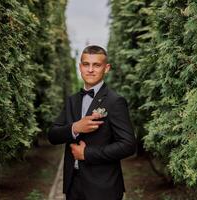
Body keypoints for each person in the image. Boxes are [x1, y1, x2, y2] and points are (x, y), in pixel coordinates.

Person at [48, 45, 136, 200]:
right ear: (80, 67)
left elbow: (128, 145)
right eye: (86, 64)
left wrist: (86, 154)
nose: (90, 70)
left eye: (96, 65)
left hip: (103, 188)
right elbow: (53, 135)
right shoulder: (72, 100)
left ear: (106, 68)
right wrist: (75, 127)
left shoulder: (115, 101)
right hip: (72, 185)